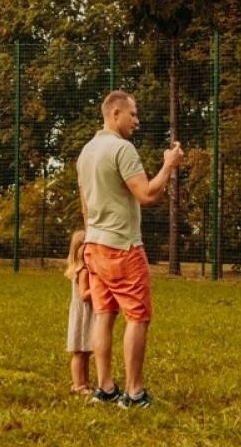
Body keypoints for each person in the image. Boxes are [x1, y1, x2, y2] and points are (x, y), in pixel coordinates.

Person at [77, 89, 183, 408]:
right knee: (137, 317)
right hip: (122, 247)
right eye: (133, 114)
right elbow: (148, 195)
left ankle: (105, 388)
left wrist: (90, 240)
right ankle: (134, 394)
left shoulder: (86, 152)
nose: (137, 120)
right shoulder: (122, 149)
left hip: (94, 245)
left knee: (103, 315)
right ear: (115, 114)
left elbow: (85, 207)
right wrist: (169, 165)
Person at [64, 230, 94, 395]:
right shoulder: (83, 271)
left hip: (85, 313)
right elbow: (84, 295)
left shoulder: (81, 268)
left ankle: (85, 383)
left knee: (86, 351)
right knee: (80, 352)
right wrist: (99, 287)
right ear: (78, 249)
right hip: (83, 313)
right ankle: (78, 385)